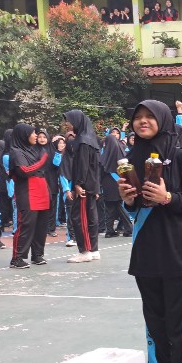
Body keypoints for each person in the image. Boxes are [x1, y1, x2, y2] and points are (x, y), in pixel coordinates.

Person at [119, 100, 182, 363]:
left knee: (179, 315)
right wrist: (128, 199)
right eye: (138, 117)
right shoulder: (130, 158)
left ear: (163, 119)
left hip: (176, 249)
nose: (142, 121)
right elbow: (133, 211)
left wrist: (168, 197)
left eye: (149, 117)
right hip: (145, 249)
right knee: (153, 316)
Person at [8, 124, 51, 269]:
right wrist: (42, 161)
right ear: (24, 135)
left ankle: (37, 254)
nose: (36, 136)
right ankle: (17, 257)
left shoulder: (34, 150)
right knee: (26, 224)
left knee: (41, 225)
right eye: (33, 133)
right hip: (28, 192)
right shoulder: (16, 152)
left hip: (42, 190)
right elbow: (24, 171)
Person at [64, 110, 102, 264]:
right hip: (92, 185)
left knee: (80, 217)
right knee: (91, 217)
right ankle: (94, 250)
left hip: (84, 186)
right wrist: (97, 186)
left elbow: (83, 165)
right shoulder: (91, 139)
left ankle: (85, 250)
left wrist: (78, 184)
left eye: (68, 121)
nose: (66, 124)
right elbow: (96, 166)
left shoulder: (83, 141)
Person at [99, 131, 133, 238]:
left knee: (110, 207)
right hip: (118, 183)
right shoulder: (120, 153)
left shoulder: (105, 155)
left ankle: (110, 230)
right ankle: (127, 228)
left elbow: (101, 169)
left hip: (107, 184)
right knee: (119, 206)